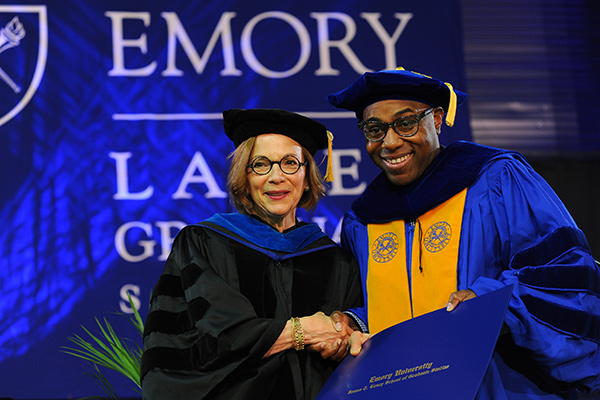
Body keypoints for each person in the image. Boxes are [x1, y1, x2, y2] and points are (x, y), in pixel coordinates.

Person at [326, 67, 600, 399]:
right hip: (405, 388)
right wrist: (353, 322)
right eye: (375, 129)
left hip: (499, 384)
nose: (391, 141)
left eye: (406, 123)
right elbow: (378, 307)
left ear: (437, 120)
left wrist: (490, 301)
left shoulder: (496, 179)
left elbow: (565, 270)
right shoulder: (362, 219)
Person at [140, 108, 365, 400]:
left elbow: (351, 341)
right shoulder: (204, 243)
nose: (276, 177)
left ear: (307, 177)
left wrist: (344, 336)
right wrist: (304, 331)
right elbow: (214, 340)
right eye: (260, 164)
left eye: (290, 163)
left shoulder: (335, 260)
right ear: (244, 178)